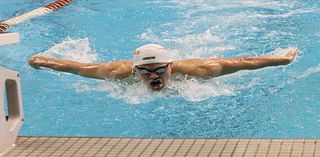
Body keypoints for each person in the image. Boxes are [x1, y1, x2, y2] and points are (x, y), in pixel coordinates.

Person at [28, 44, 299, 91]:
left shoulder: (197, 70)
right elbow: (79, 68)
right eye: (145, 71)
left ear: (170, 66)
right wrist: (46, 62)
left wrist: (281, 59)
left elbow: (242, 63)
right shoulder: (116, 72)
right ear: (135, 71)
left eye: (160, 70)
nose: (154, 76)